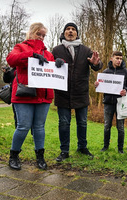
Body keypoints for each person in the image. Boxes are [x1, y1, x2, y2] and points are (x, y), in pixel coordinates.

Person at [6, 22, 56, 170]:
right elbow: (11, 60)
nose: (40, 37)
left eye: (43, 35)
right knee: (23, 126)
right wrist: (30, 55)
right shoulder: (20, 47)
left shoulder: (48, 54)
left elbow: (54, 69)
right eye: (38, 34)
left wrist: (60, 63)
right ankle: (14, 156)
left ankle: (40, 157)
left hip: (43, 95)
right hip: (24, 94)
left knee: (39, 127)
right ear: (31, 33)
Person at [52, 22, 103, 162]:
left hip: (81, 92)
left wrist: (96, 63)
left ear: (77, 33)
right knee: (63, 123)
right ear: (64, 33)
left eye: (73, 29)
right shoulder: (57, 50)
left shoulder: (86, 50)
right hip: (63, 93)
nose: (70, 31)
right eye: (67, 29)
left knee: (82, 122)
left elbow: (97, 65)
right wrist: (54, 61)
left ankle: (82, 147)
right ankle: (64, 151)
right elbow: (48, 65)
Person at [94, 51, 127, 154]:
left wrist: (126, 90)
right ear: (112, 58)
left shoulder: (126, 72)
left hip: (121, 102)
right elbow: (101, 85)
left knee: (120, 127)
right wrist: (97, 84)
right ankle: (105, 146)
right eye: (117, 58)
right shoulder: (106, 72)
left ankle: (120, 149)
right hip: (108, 102)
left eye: (121, 59)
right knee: (107, 125)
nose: (119, 60)